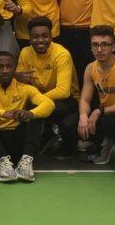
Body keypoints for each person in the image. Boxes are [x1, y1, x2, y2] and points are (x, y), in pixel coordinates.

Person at [0, 50, 54, 182]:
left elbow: (48, 104)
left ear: (14, 69)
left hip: (17, 143)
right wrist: (2, 113)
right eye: (0, 67)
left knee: (37, 112)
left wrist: (30, 113)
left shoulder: (25, 88)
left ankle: (26, 161)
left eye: (9, 66)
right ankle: (2, 162)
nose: (5, 70)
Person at [64, 25, 115, 161]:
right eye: (95, 45)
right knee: (70, 125)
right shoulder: (90, 68)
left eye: (104, 45)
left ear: (113, 47)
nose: (99, 49)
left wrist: (99, 111)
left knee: (106, 123)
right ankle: (100, 142)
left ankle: (110, 143)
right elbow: (85, 99)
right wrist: (83, 116)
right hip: (104, 115)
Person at [17, 15, 79, 147]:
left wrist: (37, 100)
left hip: (68, 101)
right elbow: (21, 85)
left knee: (35, 109)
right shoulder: (25, 52)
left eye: (45, 36)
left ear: (51, 36)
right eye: (36, 36)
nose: (40, 40)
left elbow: (63, 92)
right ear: (30, 37)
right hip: (41, 97)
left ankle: (30, 150)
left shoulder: (61, 54)